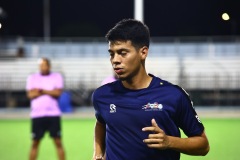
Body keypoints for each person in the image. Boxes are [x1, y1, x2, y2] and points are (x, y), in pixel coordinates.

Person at [92, 19, 210, 160]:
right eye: (112, 54)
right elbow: (101, 123)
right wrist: (98, 152)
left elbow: (203, 145)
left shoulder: (173, 95)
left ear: (143, 52)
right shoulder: (102, 95)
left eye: (122, 53)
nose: (115, 60)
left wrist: (169, 142)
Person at [26, 58, 65, 160]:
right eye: (41, 65)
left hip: (53, 114)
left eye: (45, 65)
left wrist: (41, 90)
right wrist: (49, 91)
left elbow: (57, 93)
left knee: (58, 142)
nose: (43, 67)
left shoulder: (57, 77)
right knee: (35, 142)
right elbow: (30, 94)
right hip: (37, 115)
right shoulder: (32, 77)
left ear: (49, 66)